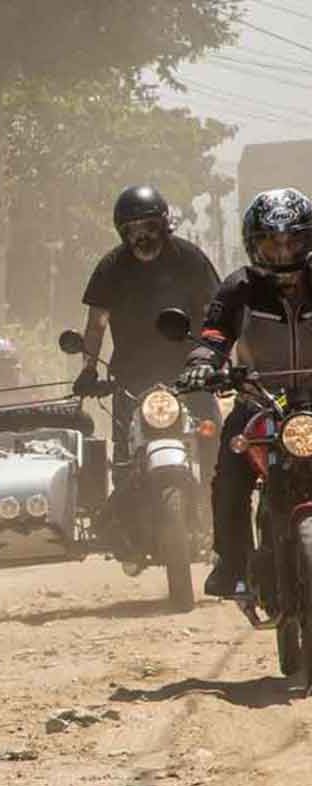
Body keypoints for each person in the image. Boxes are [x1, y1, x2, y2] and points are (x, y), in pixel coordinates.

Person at [183, 188, 312, 597]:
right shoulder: (239, 287)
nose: (283, 252)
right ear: (254, 244)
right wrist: (202, 364)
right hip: (260, 401)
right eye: (272, 243)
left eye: (292, 241)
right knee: (230, 475)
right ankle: (231, 563)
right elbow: (214, 335)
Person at [74, 185, 222, 467]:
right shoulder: (111, 268)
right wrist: (89, 369)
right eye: (133, 230)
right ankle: (125, 492)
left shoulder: (190, 259)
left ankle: (217, 491)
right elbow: (96, 326)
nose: (142, 236)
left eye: (150, 227)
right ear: (122, 233)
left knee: (214, 444)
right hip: (131, 377)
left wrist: (214, 360)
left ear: (164, 225)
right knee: (124, 459)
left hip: (190, 374)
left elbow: (214, 316)